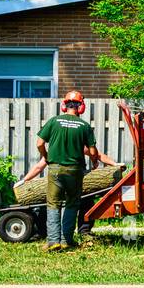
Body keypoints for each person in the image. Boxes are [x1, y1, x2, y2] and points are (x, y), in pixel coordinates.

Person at [35, 90, 101, 251]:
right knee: (72, 204)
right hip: (75, 171)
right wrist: (94, 163)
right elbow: (93, 152)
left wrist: (46, 156)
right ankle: (66, 240)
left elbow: (39, 143)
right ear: (81, 107)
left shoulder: (53, 121)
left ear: (64, 105)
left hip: (55, 169)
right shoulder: (84, 126)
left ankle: (53, 241)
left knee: (53, 204)